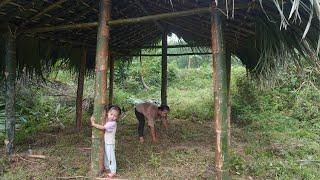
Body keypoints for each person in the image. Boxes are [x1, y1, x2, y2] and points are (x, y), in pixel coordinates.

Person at [91, 105, 121, 178]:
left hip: (110, 143)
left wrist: (93, 124)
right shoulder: (109, 121)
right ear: (108, 113)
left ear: (117, 117)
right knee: (106, 156)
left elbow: (103, 127)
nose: (112, 117)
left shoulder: (112, 123)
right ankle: (107, 168)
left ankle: (113, 171)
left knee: (111, 157)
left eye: (115, 116)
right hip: (107, 142)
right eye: (111, 114)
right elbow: (106, 120)